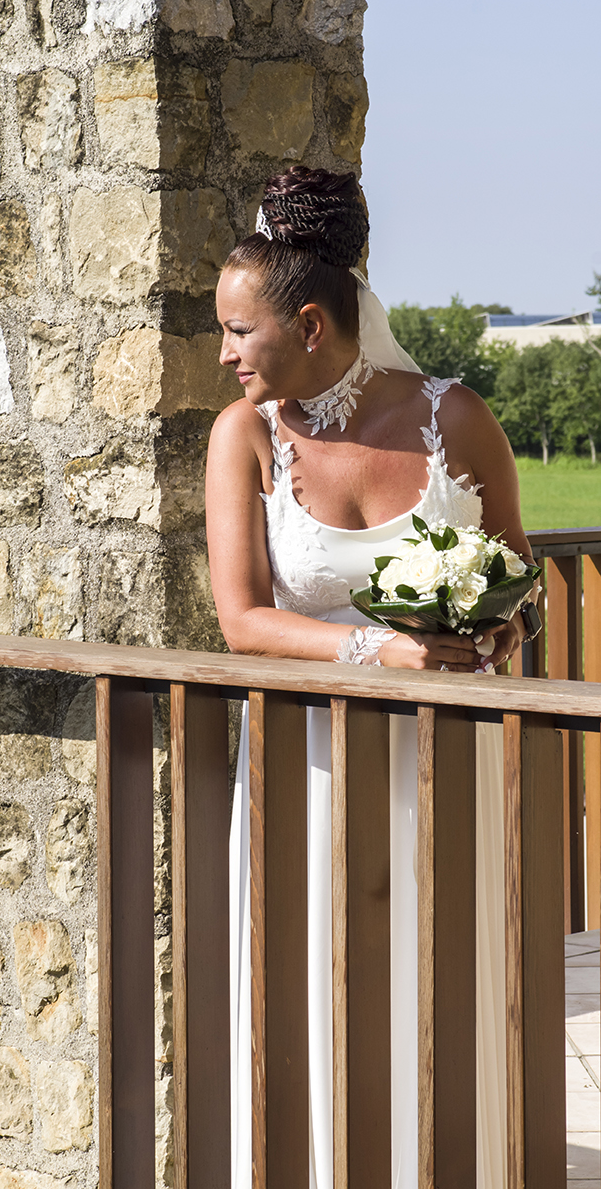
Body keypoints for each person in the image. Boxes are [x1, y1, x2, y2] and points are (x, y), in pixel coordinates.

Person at [205, 166, 536, 1188]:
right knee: (305, 986)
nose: (221, 355)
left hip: (442, 760)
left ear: (308, 323)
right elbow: (241, 620)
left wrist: (489, 630)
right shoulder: (242, 440)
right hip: (303, 764)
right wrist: (376, 649)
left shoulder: (454, 419)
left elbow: (521, 585)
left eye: (236, 331)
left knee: (436, 981)